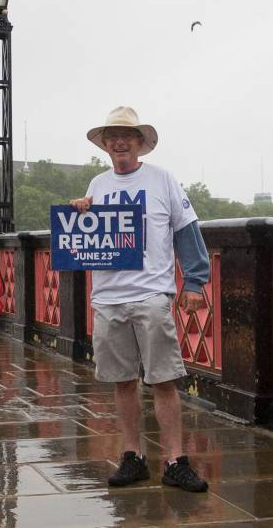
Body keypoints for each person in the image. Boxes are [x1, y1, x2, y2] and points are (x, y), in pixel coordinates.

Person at [70, 106, 210, 492]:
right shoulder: (97, 184)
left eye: (127, 136)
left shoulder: (163, 179)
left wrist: (195, 282)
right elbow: (87, 237)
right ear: (105, 145)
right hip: (107, 298)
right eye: (113, 136)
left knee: (164, 381)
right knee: (122, 382)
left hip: (152, 294)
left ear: (140, 142)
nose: (119, 142)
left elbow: (187, 231)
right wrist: (80, 211)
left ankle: (175, 461)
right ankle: (132, 456)